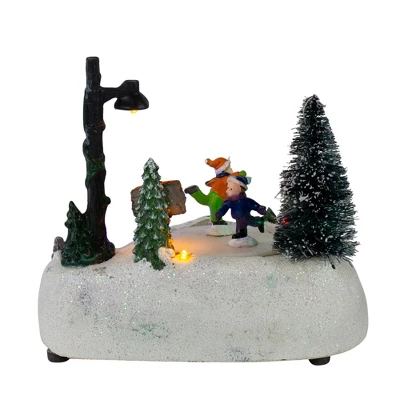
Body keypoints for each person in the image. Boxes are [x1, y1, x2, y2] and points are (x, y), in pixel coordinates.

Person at [184, 157, 246, 225]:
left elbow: (210, 183)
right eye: (229, 167)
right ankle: (216, 220)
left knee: (206, 201)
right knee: (216, 207)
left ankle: (195, 192)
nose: (231, 168)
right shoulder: (226, 178)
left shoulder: (217, 178)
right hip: (219, 196)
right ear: (224, 168)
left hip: (213, 194)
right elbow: (233, 177)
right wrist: (240, 173)